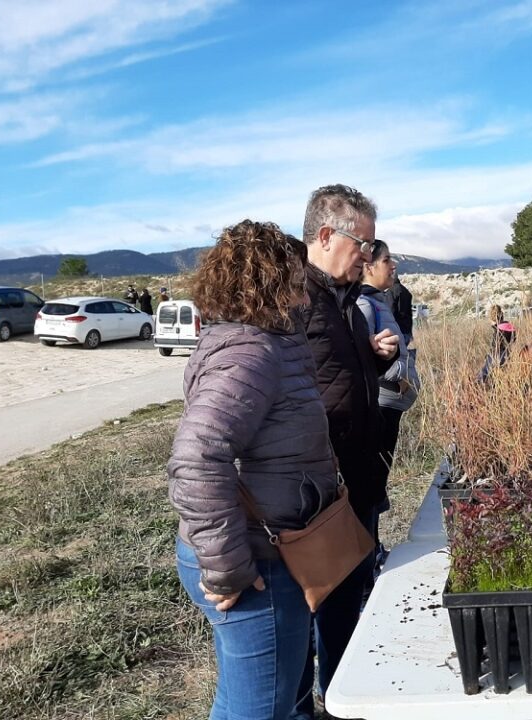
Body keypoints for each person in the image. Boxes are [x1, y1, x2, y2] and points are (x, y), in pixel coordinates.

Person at [167, 220, 338, 720]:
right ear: (271, 280)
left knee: (255, 701)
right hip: (255, 560)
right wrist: (228, 571)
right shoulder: (250, 352)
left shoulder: (267, 341)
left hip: (267, 549)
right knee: (260, 710)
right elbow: (196, 457)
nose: (304, 288)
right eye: (295, 276)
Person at [296, 183, 399, 715]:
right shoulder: (294, 302)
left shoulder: (346, 304)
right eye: (362, 244)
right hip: (322, 490)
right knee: (324, 603)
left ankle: (342, 694)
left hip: (357, 478)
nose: (368, 255)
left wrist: (373, 357)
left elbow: (337, 376)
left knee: (349, 594)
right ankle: (331, 699)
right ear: (325, 235)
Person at [356, 240, 420, 589]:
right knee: (371, 483)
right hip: (380, 407)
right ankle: (368, 557)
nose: (392, 265)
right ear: (368, 265)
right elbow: (367, 363)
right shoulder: (365, 306)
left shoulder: (380, 301)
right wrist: (396, 374)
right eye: (385, 260)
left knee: (377, 481)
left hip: (389, 407)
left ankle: (373, 549)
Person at [478, 304, 516, 383]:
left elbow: (496, 347)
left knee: (483, 373)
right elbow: (513, 340)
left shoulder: (498, 331)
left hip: (498, 356)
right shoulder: (510, 327)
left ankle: (479, 384)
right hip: (508, 355)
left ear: (492, 318)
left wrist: (489, 356)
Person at [388, 275, 414, 346]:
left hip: (397, 330)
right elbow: (410, 312)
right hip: (407, 329)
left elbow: (391, 310)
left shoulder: (391, 291)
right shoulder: (406, 291)